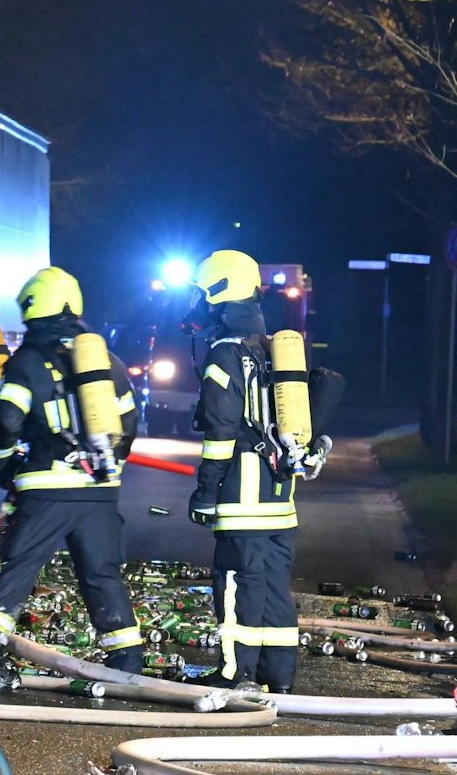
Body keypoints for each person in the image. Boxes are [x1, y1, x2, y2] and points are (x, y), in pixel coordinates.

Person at [0, 266, 144, 688]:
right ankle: (127, 661)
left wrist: (3, 461)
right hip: (101, 488)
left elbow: (6, 421)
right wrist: (104, 462)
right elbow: (129, 426)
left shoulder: (28, 362)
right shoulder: (107, 362)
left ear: (32, 308)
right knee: (102, 572)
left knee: (21, 566)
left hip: (46, 487)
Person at [186, 249, 306, 693]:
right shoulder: (271, 347)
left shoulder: (225, 354)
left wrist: (206, 490)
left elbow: (221, 429)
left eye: (201, 293)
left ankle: (234, 673)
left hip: (243, 496)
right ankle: (279, 679)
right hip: (280, 498)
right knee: (274, 588)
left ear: (219, 292)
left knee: (236, 582)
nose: (197, 303)